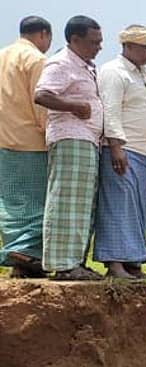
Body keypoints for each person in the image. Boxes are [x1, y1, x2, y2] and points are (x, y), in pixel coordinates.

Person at [34, 15, 104, 281]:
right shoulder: (61, 62)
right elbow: (41, 94)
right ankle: (62, 264)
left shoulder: (85, 66)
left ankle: (75, 261)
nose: (98, 46)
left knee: (82, 203)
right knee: (66, 200)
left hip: (86, 139)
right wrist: (74, 106)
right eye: (93, 42)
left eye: (100, 41)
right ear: (75, 40)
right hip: (70, 137)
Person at [93, 24, 146, 279]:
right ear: (128, 47)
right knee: (117, 204)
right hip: (122, 149)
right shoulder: (114, 72)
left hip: (142, 152)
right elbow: (110, 111)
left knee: (136, 207)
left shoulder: (141, 75)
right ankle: (114, 263)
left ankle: (132, 261)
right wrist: (116, 147)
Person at [0, 16, 52, 278]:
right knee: (37, 203)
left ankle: (17, 255)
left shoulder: (2, 55)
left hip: (3, 140)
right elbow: (41, 103)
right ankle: (27, 253)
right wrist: (50, 134)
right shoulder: (36, 60)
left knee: (10, 203)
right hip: (31, 142)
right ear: (44, 35)